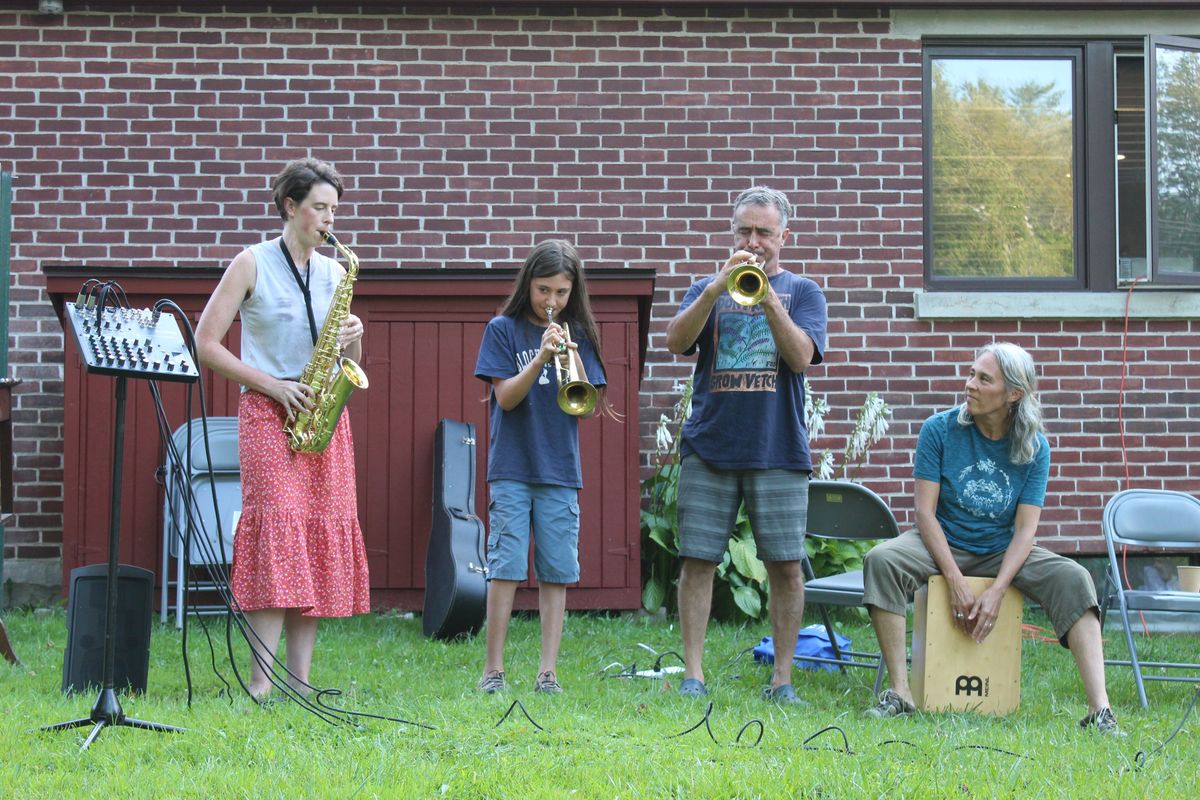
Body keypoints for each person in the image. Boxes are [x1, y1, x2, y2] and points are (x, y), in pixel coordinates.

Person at [861, 342, 1121, 735]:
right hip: (942, 542)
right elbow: (924, 514)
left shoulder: (1034, 447)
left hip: (1003, 549)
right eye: (971, 374)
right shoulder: (939, 429)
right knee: (882, 560)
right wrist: (954, 579)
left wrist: (998, 589)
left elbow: (1025, 530)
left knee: (1075, 579)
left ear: (1013, 393)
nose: (970, 385)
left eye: (983, 379)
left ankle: (1100, 711)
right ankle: (900, 693)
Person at [196, 157, 370, 700]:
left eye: (334, 209)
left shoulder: (337, 272)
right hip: (269, 411)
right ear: (290, 207)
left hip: (323, 413)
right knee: (277, 534)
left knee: (313, 540)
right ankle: (259, 684)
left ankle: (301, 681)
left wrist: (356, 335)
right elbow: (205, 343)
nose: (329, 219)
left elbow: (349, 358)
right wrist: (273, 386)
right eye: (319, 208)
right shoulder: (251, 264)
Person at [665, 186, 828, 705]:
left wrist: (769, 296)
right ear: (732, 232)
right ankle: (694, 675)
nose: (753, 241)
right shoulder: (704, 287)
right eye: (744, 230)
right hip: (710, 447)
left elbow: (801, 358)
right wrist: (716, 289)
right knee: (697, 560)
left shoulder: (803, 292)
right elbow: (674, 342)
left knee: (784, 565)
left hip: (776, 449)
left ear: (784, 236)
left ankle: (782, 681)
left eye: (763, 232)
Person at [473, 240, 617, 695]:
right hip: (512, 468)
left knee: (556, 570)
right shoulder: (502, 330)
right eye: (542, 290)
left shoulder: (580, 336)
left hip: (559, 471)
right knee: (506, 566)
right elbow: (505, 398)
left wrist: (569, 355)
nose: (551, 302)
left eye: (560, 292)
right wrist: (540, 356)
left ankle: (548, 672)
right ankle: (493, 670)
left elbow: (582, 408)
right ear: (527, 285)